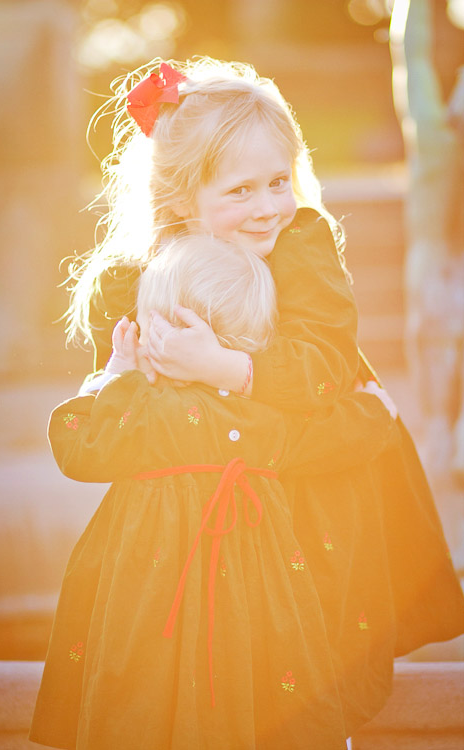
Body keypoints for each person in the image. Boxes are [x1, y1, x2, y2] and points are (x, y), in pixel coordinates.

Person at [62, 58, 464, 735]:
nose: (268, 206)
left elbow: (325, 363)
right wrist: (121, 375)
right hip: (195, 503)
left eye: (279, 181)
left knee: (308, 643)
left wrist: (227, 367)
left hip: (310, 493)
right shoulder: (131, 283)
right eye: (241, 190)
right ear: (184, 197)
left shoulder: (299, 251)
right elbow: (127, 411)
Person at [30, 235, 398, 749]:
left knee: (143, 682)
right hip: (256, 584)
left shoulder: (142, 409)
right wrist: (377, 409)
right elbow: (327, 435)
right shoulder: (262, 411)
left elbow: (78, 445)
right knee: (261, 674)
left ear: (162, 331)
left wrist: (115, 372)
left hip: (149, 592)